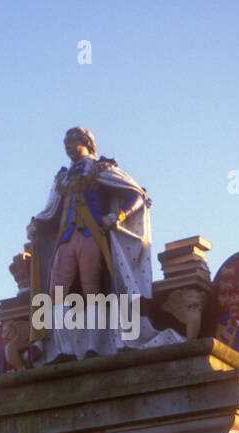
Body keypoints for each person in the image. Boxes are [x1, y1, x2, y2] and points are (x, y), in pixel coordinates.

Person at [25, 127, 184, 363]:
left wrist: (117, 216)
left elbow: (136, 195)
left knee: (92, 291)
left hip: (91, 235)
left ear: (86, 142)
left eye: (72, 141)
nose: (68, 146)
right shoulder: (63, 178)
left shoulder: (102, 168)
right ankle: (65, 351)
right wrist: (35, 223)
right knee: (56, 292)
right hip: (67, 238)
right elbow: (51, 209)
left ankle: (93, 347)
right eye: (65, 143)